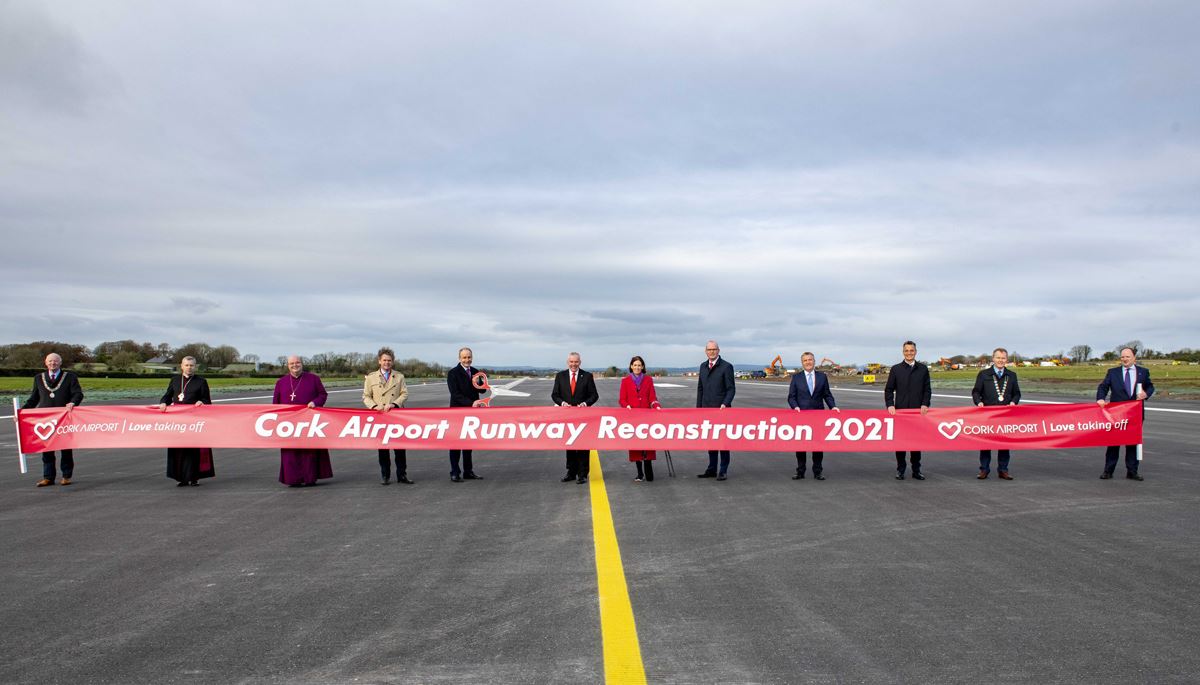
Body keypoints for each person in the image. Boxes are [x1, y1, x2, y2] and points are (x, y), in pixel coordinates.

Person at [24, 353, 84, 487]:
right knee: (47, 449)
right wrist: (22, 412)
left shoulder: (70, 377)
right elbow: (34, 399)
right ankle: (48, 477)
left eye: (56, 361)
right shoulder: (39, 378)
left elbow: (78, 394)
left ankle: (66, 476)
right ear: (45, 363)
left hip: (64, 419)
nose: (53, 363)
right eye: (50, 361)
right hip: (45, 420)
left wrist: (73, 403)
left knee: (66, 449)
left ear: (60, 363)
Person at [273, 356, 333, 487]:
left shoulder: (313, 379)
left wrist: (314, 402)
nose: (295, 365)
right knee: (291, 453)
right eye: (292, 363)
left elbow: (323, 395)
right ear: (288, 365)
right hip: (289, 424)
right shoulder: (281, 382)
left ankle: (310, 478)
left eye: (297, 362)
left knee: (309, 452)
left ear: (302, 363)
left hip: (309, 422)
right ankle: (292, 479)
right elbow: (275, 404)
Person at [1096, 346, 1155, 481]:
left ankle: (1132, 471)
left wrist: (1146, 394)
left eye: (1127, 356)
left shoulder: (1143, 372)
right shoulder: (1113, 372)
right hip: (1116, 414)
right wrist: (1100, 398)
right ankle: (1108, 471)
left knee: (1132, 443)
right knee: (1113, 443)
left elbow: (1150, 386)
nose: (1124, 359)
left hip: (1135, 414)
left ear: (1134, 358)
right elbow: (1103, 387)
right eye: (1122, 356)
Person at [157, 356, 215, 486]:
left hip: (194, 421)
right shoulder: (175, 380)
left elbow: (207, 400)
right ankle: (181, 478)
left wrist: (202, 402)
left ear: (195, 367)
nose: (189, 367)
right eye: (187, 365)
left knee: (193, 450)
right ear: (181, 366)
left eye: (192, 365)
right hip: (178, 421)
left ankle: (194, 477)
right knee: (179, 449)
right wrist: (163, 403)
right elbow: (168, 396)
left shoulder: (201, 381)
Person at [787, 352, 840, 480]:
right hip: (801, 416)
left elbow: (827, 394)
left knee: (817, 445)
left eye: (810, 360)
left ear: (814, 361)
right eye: (805, 360)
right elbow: (791, 397)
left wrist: (833, 406)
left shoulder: (822, 377)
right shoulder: (796, 378)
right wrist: (795, 407)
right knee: (801, 445)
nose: (808, 362)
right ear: (802, 363)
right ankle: (800, 471)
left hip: (818, 416)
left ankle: (818, 471)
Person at [971, 348, 1021, 480]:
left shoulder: (1011, 375)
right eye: (998, 358)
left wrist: (1013, 402)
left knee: (1004, 444)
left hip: (1005, 415)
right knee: (986, 443)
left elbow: (1017, 393)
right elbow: (976, 391)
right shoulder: (984, 374)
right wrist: (978, 402)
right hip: (988, 415)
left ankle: (1003, 470)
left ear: (1007, 360)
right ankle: (984, 470)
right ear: (993, 359)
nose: (1000, 360)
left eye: (1003, 358)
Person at [363, 347, 411, 485]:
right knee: (383, 448)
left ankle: (402, 475)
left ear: (393, 361)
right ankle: (385, 475)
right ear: (379, 361)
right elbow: (366, 396)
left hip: (397, 415)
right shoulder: (371, 377)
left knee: (400, 448)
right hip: (380, 416)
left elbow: (404, 393)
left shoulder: (399, 376)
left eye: (389, 360)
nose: (387, 362)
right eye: (384, 360)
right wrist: (374, 406)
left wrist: (395, 404)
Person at [885, 340, 931, 480]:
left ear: (915, 352)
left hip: (918, 413)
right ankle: (900, 470)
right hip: (900, 412)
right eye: (906, 350)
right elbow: (889, 389)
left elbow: (927, 390)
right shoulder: (896, 369)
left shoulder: (923, 369)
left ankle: (916, 470)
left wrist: (925, 404)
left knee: (916, 443)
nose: (909, 353)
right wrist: (890, 405)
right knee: (900, 443)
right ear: (903, 352)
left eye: (912, 350)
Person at [552, 352, 600, 484]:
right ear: (568, 362)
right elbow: (555, 395)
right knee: (570, 444)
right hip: (567, 417)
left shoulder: (587, 376)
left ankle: (583, 474)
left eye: (576, 362)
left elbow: (594, 395)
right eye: (571, 362)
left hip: (583, 417)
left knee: (583, 445)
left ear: (580, 362)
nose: (574, 364)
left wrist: (585, 404)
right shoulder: (560, 376)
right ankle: (571, 472)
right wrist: (562, 403)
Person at [697, 340, 736, 481]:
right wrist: (698, 409)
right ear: (705, 351)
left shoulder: (726, 367)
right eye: (709, 349)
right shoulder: (702, 366)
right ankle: (711, 469)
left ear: (718, 350)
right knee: (711, 441)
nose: (712, 352)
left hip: (722, 411)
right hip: (707, 410)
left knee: (723, 442)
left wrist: (725, 403)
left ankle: (723, 470)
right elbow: (700, 388)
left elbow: (731, 389)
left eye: (714, 349)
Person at [446, 347, 486, 482]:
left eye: (469, 357)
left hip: (471, 413)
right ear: (459, 359)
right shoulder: (453, 373)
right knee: (456, 443)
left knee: (469, 443)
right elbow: (455, 394)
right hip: (457, 412)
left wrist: (482, 381)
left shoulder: (476, 372)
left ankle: (468, 471)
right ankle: (455, 472)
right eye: (464, 357)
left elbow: (482, 391)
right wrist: (471, 403)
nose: (467, 360)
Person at [619, 356, 661, 482]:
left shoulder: (648, 380)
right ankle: (639, 473)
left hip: (647, 417)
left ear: (643, 367)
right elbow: (622, 399)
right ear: (631, 366)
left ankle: (648, 469)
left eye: (639, 365)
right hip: (632, 418)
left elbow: (653, 397)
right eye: (635, 365)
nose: (637, 367)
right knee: (636, 444)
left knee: (648, 443)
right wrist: (626, 406)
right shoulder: (625, 381)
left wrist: (656, 406)